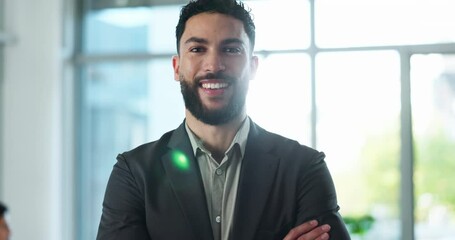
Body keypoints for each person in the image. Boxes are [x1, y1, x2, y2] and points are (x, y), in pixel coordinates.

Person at [97, 0, 350, 239]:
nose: (214, 64)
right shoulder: (133, 173)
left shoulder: (304, 168)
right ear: (176, 67)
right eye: (197, 49)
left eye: (231, 49)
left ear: (252, 67)